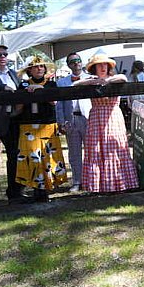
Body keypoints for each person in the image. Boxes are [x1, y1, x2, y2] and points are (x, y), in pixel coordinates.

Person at [76, 54, 139, 193]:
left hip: (113, 117)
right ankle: (98, 186)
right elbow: (76, 84)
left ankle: (119, 184)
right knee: (96, 150)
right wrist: (93, 81)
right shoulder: (91, 80)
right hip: (96, 118)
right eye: (99, 65)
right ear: (94, 68)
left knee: (115, 148)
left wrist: (106, 81)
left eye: (105, 65)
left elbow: (123, 78)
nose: (103, 67)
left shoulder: (115, 79)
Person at [14, 56, 67, 203]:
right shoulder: (23, 85)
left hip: (47, 126)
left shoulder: (51, 84)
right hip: (28, 126)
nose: (39, 69)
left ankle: (46, 189)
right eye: (36, 67)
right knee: (32, 159)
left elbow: (54, 101)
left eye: (41, 66)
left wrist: (40, 89)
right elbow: (18, 108)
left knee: (48, 158)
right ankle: (37, 190)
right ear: (29, 70)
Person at [0, 43, 30, 203]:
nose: (3, 57)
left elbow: (22, 86)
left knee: (18, 154)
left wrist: (29, 85)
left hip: (18, 118)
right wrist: (1, 87)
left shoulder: (14, 73)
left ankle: (17, 190)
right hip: (0, 119)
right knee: (13, 153)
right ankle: (14, 192)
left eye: (5, 54)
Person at [56, 52, 92, 192]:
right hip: (70, 121)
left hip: (88, 119)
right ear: (68, 65)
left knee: (91, 151)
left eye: (78, 60)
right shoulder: (62, 82)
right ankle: (77, 181)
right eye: (72, 62)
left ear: (81, 62)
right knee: (74, 153)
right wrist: (61, 122)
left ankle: (91, 180)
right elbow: (59, 105)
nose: (76, 63)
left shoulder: (91, 79)